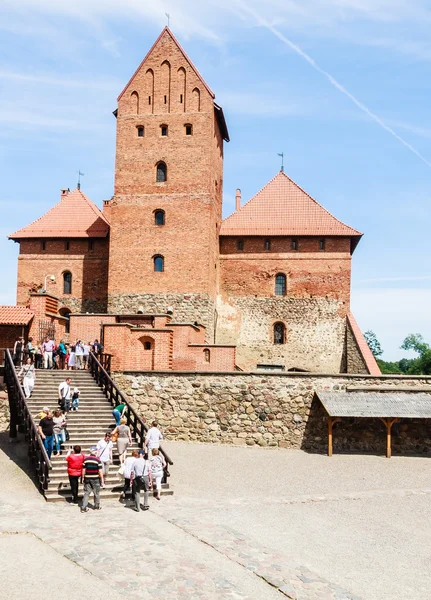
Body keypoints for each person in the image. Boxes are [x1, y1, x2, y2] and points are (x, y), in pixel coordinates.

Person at [81, 446, 104, 513]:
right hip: (95, 478)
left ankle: (84, 507)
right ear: (95, 452)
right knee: (96, 492)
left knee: (86, 493)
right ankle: (96, 506)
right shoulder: (98, 460)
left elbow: (83, 470)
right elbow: (100, 471)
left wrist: (82, 477)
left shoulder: (86, 459)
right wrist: (102, 479)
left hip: (87, 478)